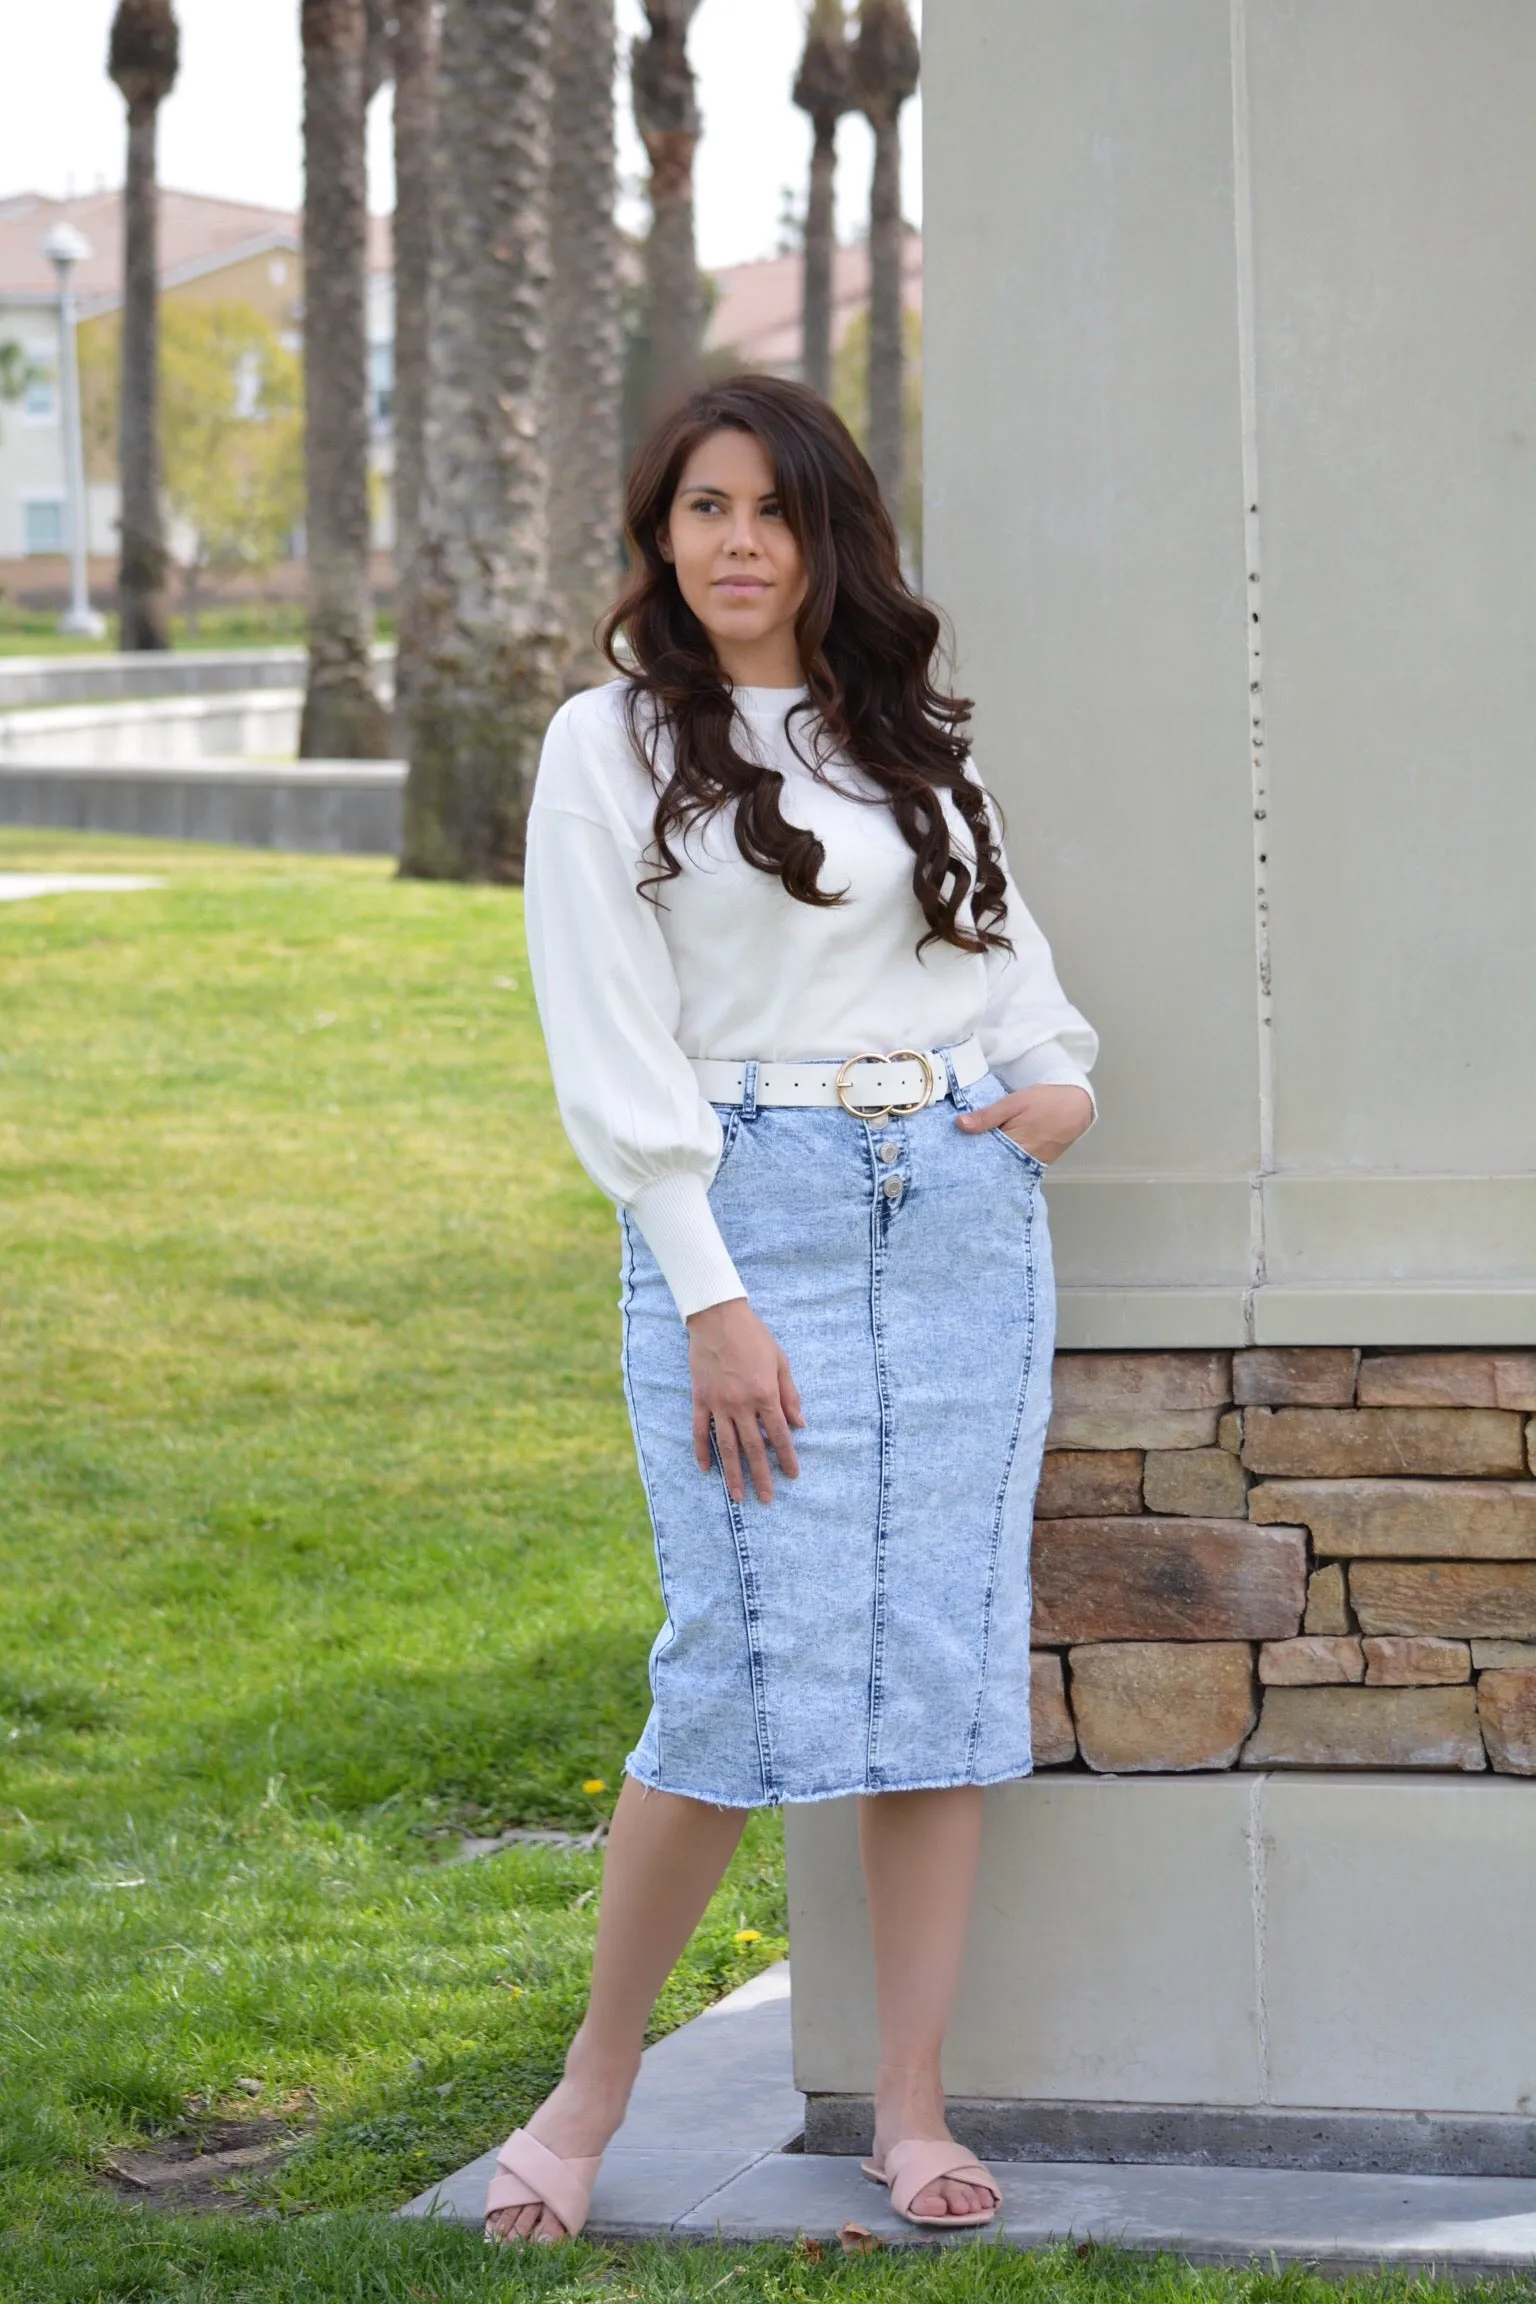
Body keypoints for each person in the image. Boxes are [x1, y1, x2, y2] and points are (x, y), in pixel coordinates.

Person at [485, 375, 1097, 2243]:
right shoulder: (610, 743)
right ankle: (588, 2102)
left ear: (833, 537)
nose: (736, 543)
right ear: (660, 539)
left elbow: (1005, 968)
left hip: (962, 1233)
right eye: (701, 510)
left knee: (935, 1676)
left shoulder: (906, 739)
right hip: (746, 1224)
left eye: (772, 511)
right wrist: (708, 1296)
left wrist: (1057, 1078)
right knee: (732, 1675)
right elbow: (607, 1031)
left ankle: (909, 2113)